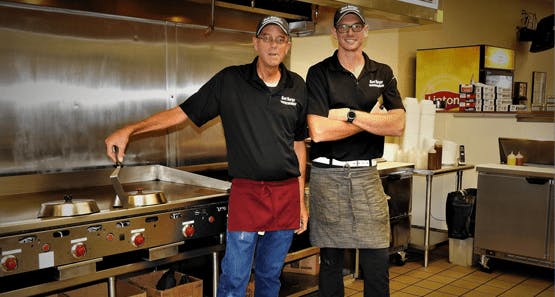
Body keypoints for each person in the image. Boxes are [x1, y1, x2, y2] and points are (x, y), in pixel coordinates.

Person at [104, 15, 309, 297]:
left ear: (287, 45)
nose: (273, 45)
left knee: (270, 276)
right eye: (266, 38)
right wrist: (131, 129)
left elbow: (299, 144)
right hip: (247, 192)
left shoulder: (297, 86)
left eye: (280, 39)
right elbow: (181, 113)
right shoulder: (231, 81)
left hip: (286, 194)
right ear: (255, 43)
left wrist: (301, 200)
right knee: (235, 277)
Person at [305, 4, 406, 297]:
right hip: (327, 175)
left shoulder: (382, 72)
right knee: (331, 261)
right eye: (344, 27)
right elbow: (319, 131)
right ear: (335, 32)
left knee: (376, 258)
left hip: (366, 175)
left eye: (356, 26)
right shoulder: (319, 73)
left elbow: (398, 124)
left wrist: (348, 114)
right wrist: (374, 120)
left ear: (365, 31)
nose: (351, 32)